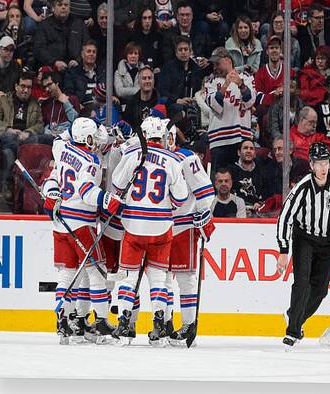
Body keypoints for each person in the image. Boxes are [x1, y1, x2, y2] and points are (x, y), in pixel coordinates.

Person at [112, 116, 189, 346]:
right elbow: (181, 198)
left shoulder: (133, 154)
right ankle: (159, 322)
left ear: (143, 135)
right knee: (158, 278)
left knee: (128, 276)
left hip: (134, 224)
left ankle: (124, 322)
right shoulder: (173, 159)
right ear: (163, 136)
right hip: (161, 226)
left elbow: (117, 184)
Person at [41, 117, 119, 344]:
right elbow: (86, 191)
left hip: (60, 222)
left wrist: (51, 193)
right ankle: (102, 321)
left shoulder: (61, 147)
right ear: (86, 137)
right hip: (80, 224)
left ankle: (62, 322)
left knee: (67, 272)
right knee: (97, 272)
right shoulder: (90, 160)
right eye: (92, 137)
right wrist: (107, 200)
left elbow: (52, 177)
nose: (95, 141)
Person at [276, 142, 330, 348]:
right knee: (301, 282)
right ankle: (292, 332)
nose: (323, 167)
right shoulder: (302, 188)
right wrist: (283, 249)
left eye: (326, 162)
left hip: (326, 241)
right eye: (319, 163)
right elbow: (285, 217)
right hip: (304, 238)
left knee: (320, 290)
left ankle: (293, 316)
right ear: (311, 164)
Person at [164, 120, 215, 344]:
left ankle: (188, 324)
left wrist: (204, 213)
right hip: (158, 225)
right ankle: (164, 322)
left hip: (183, 224)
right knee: (161, 278)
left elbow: (205, 191)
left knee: (185, 277)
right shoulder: (151, 158)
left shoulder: (188, 158)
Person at [0, 71, 44, 200]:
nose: (26, 90)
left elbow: (40, 125)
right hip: (6, 136)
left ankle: (7, 185)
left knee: (9, 151)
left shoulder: (35, 103)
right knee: (10, 142)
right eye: (23, 86)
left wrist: (28, 132)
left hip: (25, 139)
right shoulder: (3, 101)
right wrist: (9, 130)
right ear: (16, 86)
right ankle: (9, 184)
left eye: (29, 87)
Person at [205, 46, 259, 173]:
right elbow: (213, 104)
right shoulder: (211, 80)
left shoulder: (246, 77)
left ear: (228, 61)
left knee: (240, 180)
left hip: (241, 138)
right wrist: (226, 85)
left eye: (217, 63)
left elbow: (250, 101)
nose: (215, 67)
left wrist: (240, 85)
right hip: (218, 140)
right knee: (219, 180)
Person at [34, 0, 90, 74]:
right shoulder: (44, 26)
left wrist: (78, 61)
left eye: (66, 5)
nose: (63, 7)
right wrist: (54, 62)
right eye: (60, 5)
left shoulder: (79, 24)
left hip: (77, 69)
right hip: (51, 69)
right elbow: (38, 49)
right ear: (53, 8)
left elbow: (87, 45)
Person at [63, 39, 106, 108]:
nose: (91, 54)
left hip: (101, 107)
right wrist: (76, 104)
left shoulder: (102, 72)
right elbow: (68, 93)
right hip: (83, 107)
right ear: (82, 54)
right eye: (88, 51)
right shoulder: (72, 72)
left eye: (94, 52)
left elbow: (107, 90)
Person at [230, 139, 268, 214]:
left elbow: (267, 194)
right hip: (236, 214)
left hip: (258, 214)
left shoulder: (262, 172)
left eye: (251, 148)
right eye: (245, 148)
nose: (248, 151)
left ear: (255, 154)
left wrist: (260, 203)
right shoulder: (231, 171)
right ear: (239, 152)